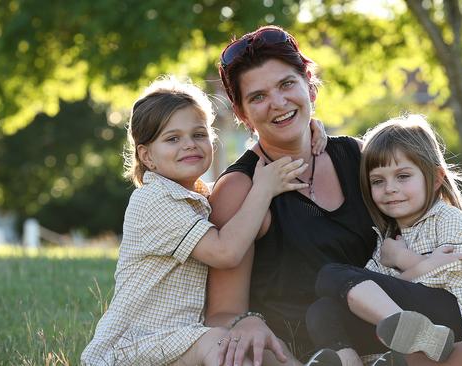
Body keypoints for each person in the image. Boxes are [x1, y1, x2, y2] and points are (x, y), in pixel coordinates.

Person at [207, 25, 462, 366]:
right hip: (345, 348)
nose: (277, 103)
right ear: (242, 114)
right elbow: (223, 312)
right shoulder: (242, 188)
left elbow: (434, 229)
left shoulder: (359, 158)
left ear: (310, 87)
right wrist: (247, 322)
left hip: (429, 320)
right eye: (257, 97)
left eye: (287, 84)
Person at [81, 76, 312, 366]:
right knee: (222, 344)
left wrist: (310, 131)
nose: (189, 145)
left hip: (181, 342)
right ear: (147, 156)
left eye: (199, 134)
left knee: (251, 349)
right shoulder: (153, 200)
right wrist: (263, 189)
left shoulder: (200, 197)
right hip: (134, 348)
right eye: (173, 139)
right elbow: (225, 253)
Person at [309, 115, 462, 365]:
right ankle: (349, 360)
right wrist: (413, 269)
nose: (389, 188)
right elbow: (366, 294)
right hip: (421, 319)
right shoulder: (388, 237)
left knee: (331, 275)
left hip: (455, 318)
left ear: (436, 178)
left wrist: (403, 260)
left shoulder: (447, 218)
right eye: (378, 181)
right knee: (321, 310)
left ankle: (410, 329)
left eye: (403, 176)